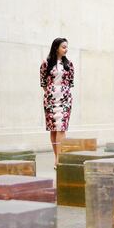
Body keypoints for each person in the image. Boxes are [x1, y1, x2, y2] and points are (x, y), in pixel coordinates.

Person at [40, 37, 74, 167]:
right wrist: (51, 93)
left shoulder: (69, 64)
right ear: (56, 48)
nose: (66, 49)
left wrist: (62, 93)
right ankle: (56, 158)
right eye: (63, 47)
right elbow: (43, 83)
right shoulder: (46, 63)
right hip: (50, 99)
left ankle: (60, 159)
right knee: (53, 129)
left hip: (65, 99)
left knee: (61, 128)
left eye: (66, 47)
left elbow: (70, 83)